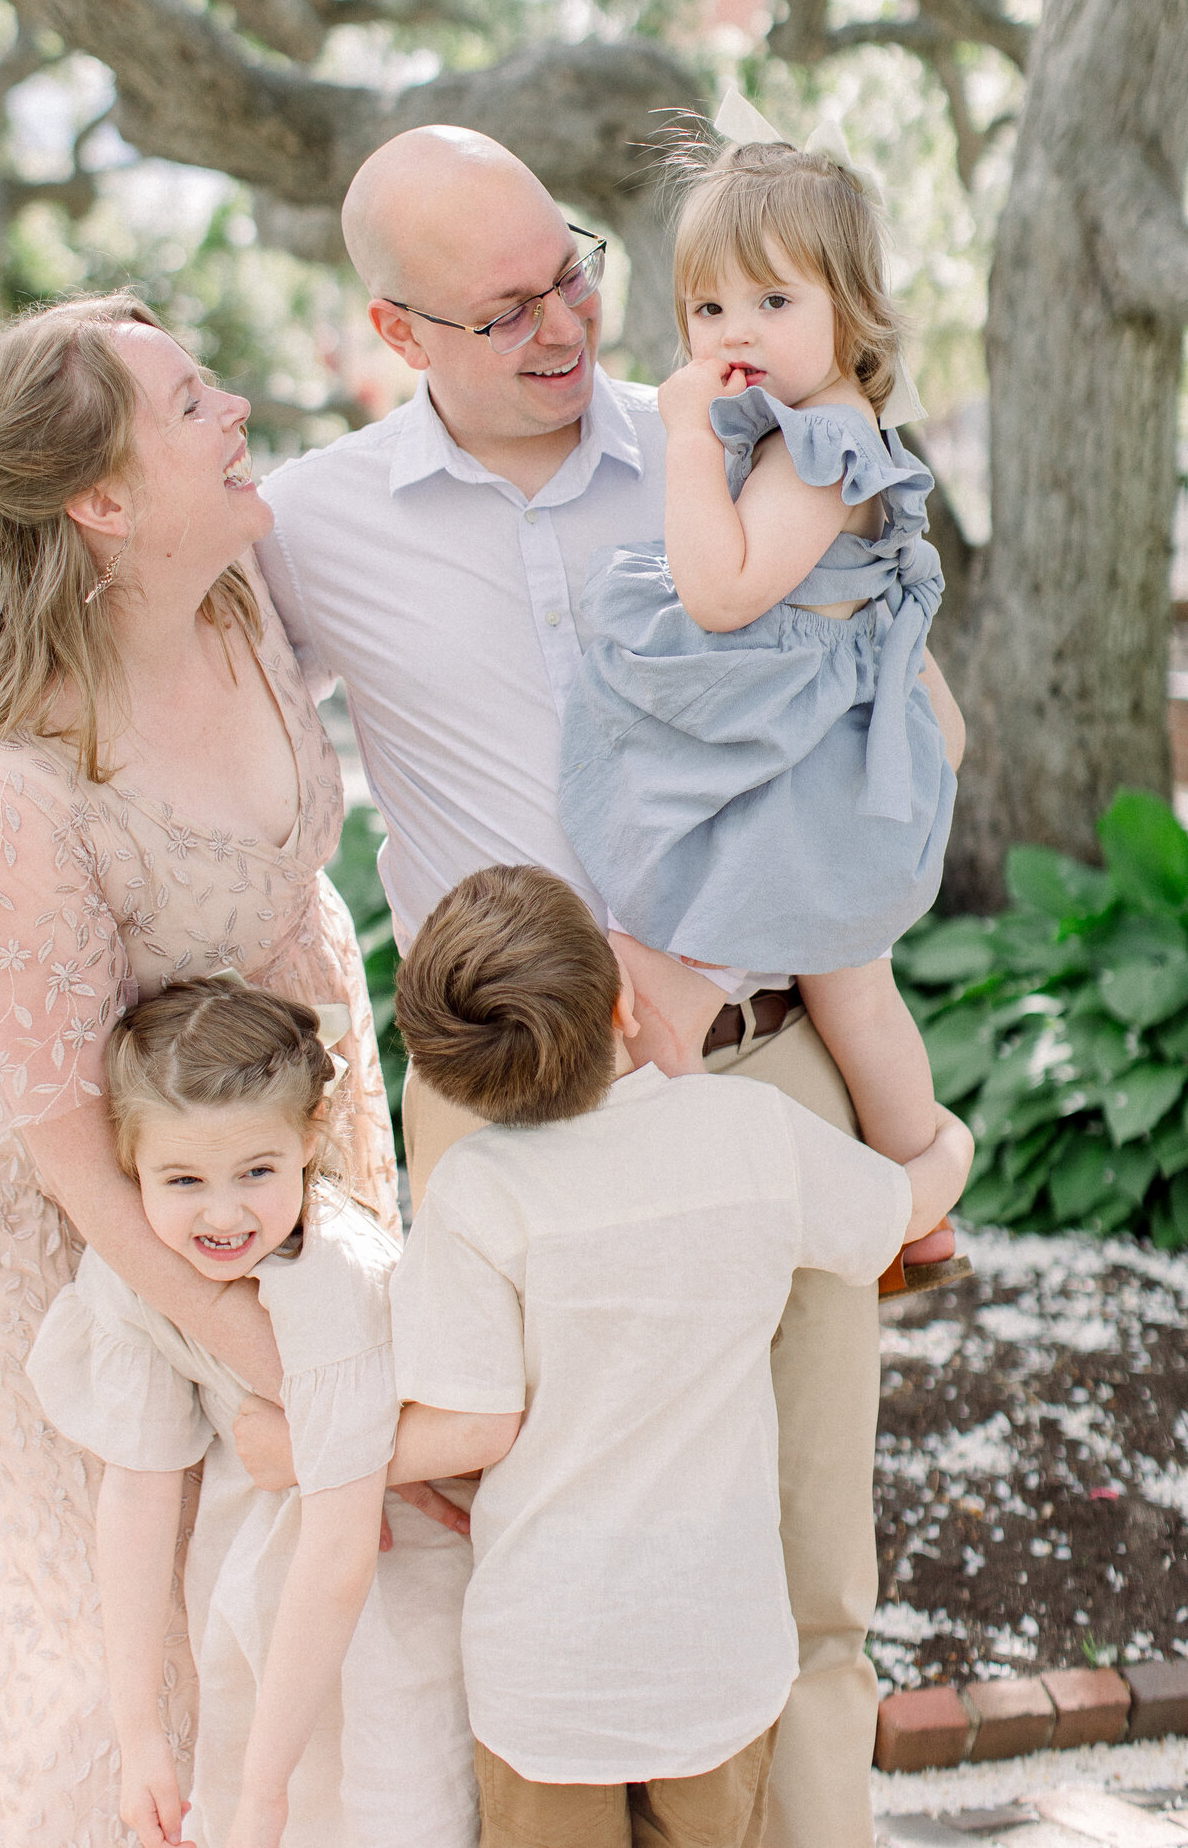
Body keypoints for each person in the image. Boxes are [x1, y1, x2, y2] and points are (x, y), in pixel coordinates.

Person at [255, 125, 965, 1848]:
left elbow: (914, 709)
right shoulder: (309, 524)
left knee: (802, 1557)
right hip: (507, 1108)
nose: (567, 320)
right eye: (502, 310)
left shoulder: (724, 439)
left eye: (569, 265)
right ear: (397, 331)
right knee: (544, 1518)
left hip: (757, 1059)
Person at [0, 292, 397, 1846]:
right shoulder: (5, 788)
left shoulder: (239, 598)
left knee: (288, 1546)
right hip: (51, 1209)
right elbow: (71, 1160)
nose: (236, 411)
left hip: (256, 1104)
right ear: (103, 504)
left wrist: (340, 1206)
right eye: (191, 406)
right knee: (106, 1619)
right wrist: (250, 1337)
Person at [387, 864, 974, 1848]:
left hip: (547, 1671)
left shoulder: (476, 1193)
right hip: (717, 1657)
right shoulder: (746, 1134)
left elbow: (476, 1426)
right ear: (624, 1000)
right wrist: (947, 1142)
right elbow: (900, 1210)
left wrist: (329, 1451)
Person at [558, 130, 964, 1294]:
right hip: (804, 742)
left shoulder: (822, 446)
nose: (732, 333)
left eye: (772, 299)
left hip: (803, 767)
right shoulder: (810, 431)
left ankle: (917, 1174)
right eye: (706, 306)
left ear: (853, 309)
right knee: (846, 976)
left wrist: (685, 437)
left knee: (747, 934)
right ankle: (916, 1206)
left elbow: (725, 590)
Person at [26, 979, 476, 1848]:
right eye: (183, 1178)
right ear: (130, 1166)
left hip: (376, 1595)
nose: (223, 1213)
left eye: (257, 1173)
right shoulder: (135, 1271)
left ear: (310, 1142)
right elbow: (139, 1490)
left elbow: (341, 1553)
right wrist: (140, 1735)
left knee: (378, 1803)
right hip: (251, 1576)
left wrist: (262, 1797)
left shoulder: (332, 1283)